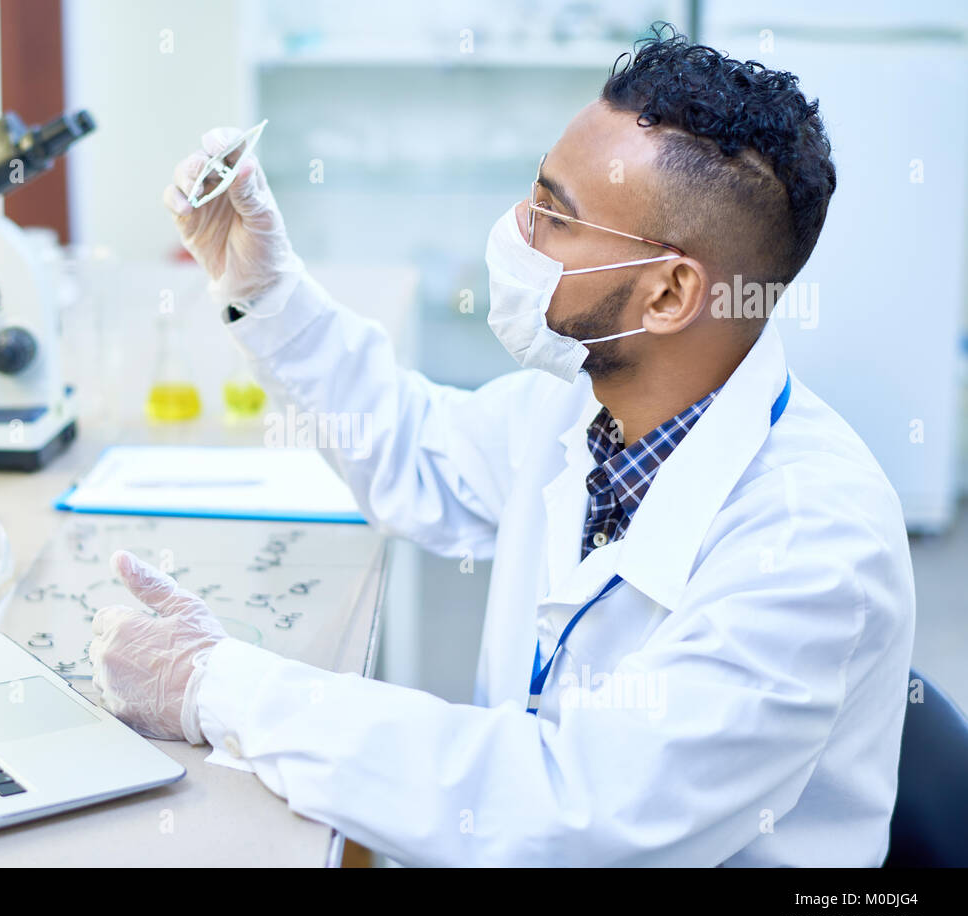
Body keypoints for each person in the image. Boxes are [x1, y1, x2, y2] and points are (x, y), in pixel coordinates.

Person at [88, 28, 915, 866]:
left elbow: (576, 814)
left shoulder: (812, 544)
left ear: (669, 293)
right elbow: (415, 452)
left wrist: (220, 684)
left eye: (555, 216)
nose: (517, 232)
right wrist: (265, 290)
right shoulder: (580, 407)